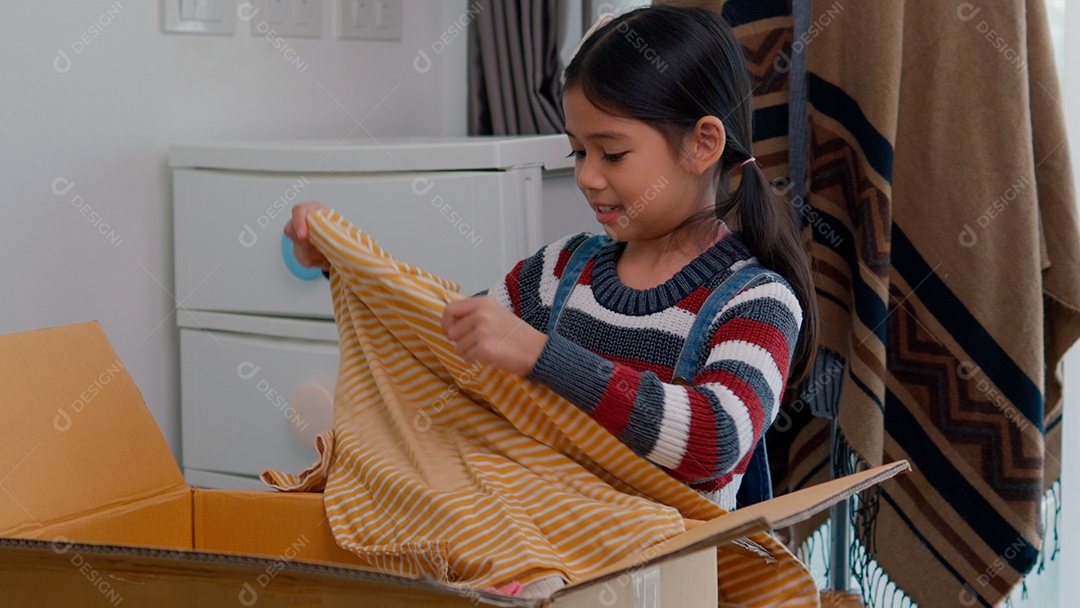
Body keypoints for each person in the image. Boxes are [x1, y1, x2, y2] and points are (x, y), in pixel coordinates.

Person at [284, 5, 818, 511]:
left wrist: (541, 355)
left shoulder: (759, 301)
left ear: (703, 145)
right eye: (578, 152)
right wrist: (342, 261)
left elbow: (713, 441)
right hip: (553, 558)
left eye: (612, 153)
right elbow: (437, 341)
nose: (587, 177)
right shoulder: (559, 273)